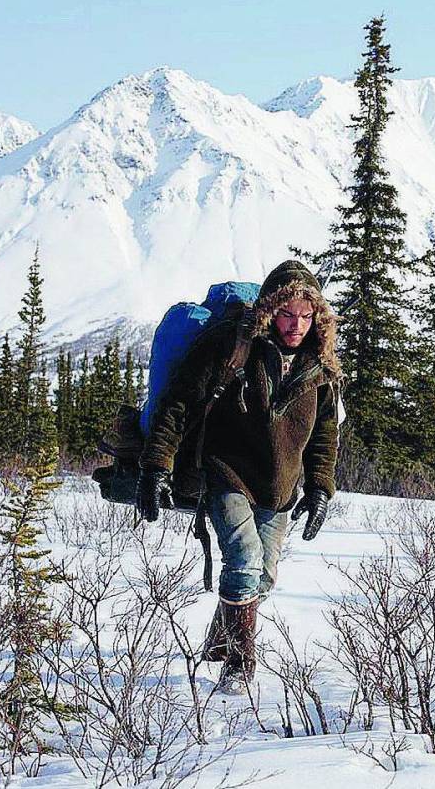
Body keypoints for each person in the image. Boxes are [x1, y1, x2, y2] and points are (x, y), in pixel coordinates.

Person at [136, 260, 342, 693]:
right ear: (270, 310)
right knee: (244, 561)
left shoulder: (320, 366)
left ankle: (220, 639)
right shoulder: (232, 346)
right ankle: (239, 668)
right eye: (287, 314)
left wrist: (320, 487)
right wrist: (157, 465)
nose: (296, 325)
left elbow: (325, 434)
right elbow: (178, 405)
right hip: (226, 471)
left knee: (262, 578)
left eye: (307, 316)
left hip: (279, 486)